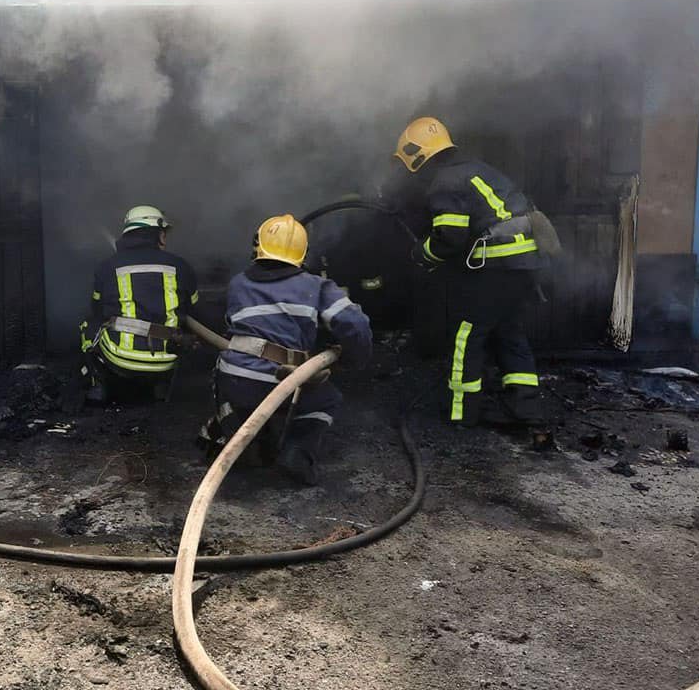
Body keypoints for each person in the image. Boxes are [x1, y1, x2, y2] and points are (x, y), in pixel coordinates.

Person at [392, 116, 544, 427]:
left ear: (418, 156)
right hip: (524, 265)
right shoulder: (478, 169)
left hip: (493, 267)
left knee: (466, 336)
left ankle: (462, 412)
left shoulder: (445, 182)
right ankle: (526, 408)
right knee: (510, 331)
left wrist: (422, 254)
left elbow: (450, 237)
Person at [208, 214, 372, 485]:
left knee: (229, 391)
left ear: (258, 246)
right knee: (326, 398)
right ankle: (298, 451)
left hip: (234, 376)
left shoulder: (238, 283)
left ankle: (240, 439)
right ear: (303, 253)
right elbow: (355, 324)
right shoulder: (316, 286)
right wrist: (354, 359)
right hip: (280, 379)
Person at [80, 205, 199, 404]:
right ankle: (163, 385)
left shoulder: (107, 266)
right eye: (164, 233)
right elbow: (193, 310)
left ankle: (97, 386)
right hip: (167, 359)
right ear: (158, 234)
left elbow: (97, 309)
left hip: (121, 358)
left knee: (89, 325)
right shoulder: (180, 265)